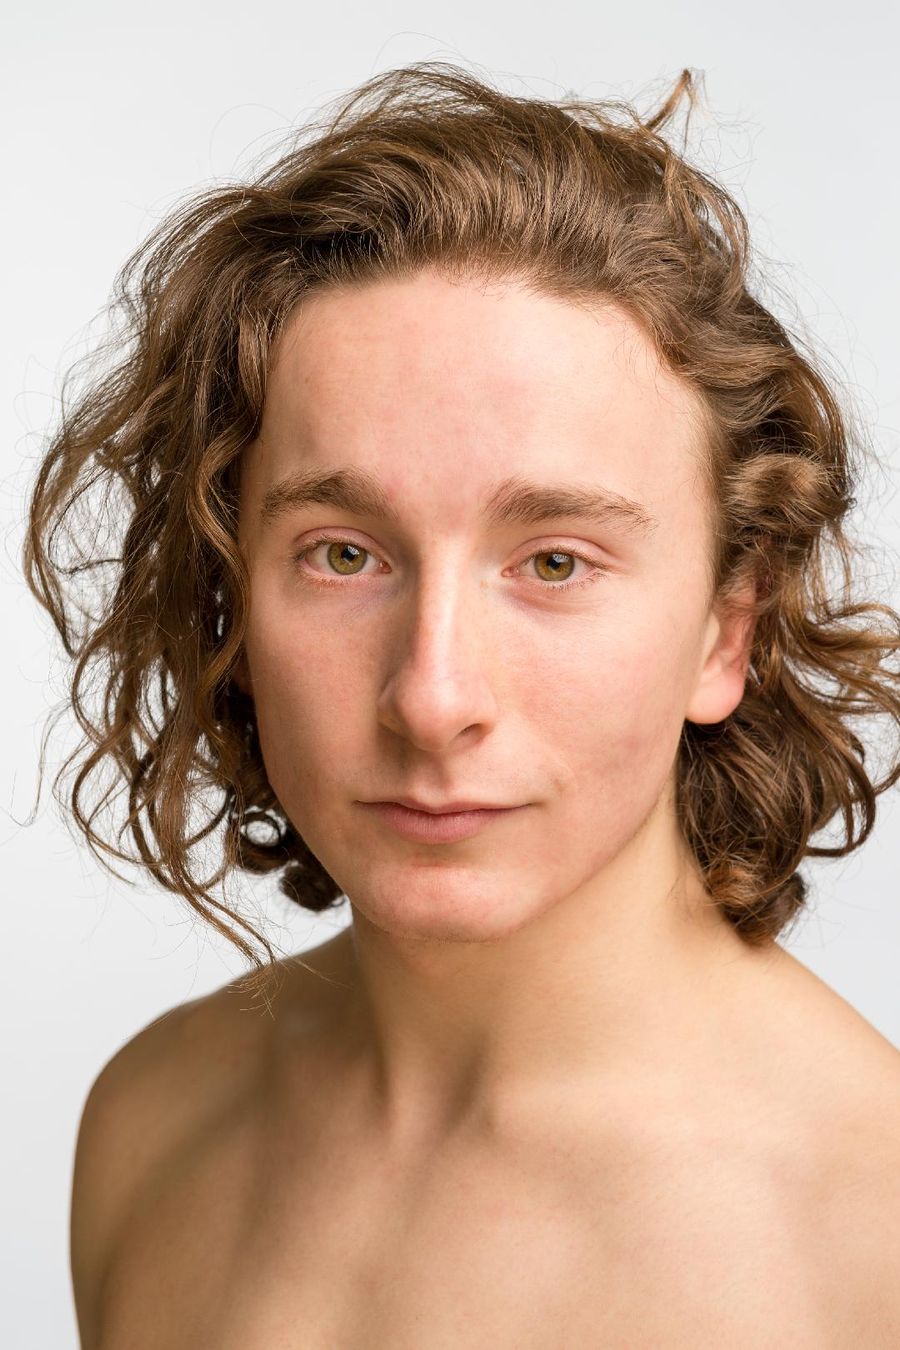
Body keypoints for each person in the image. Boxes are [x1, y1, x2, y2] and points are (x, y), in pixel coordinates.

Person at [25, 61, 900, 1347]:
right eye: (343, 555)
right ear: (231, 604)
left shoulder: (868, 1228)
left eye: (555, 564)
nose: (432, 699)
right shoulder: (153, 1122)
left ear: (729, 629)